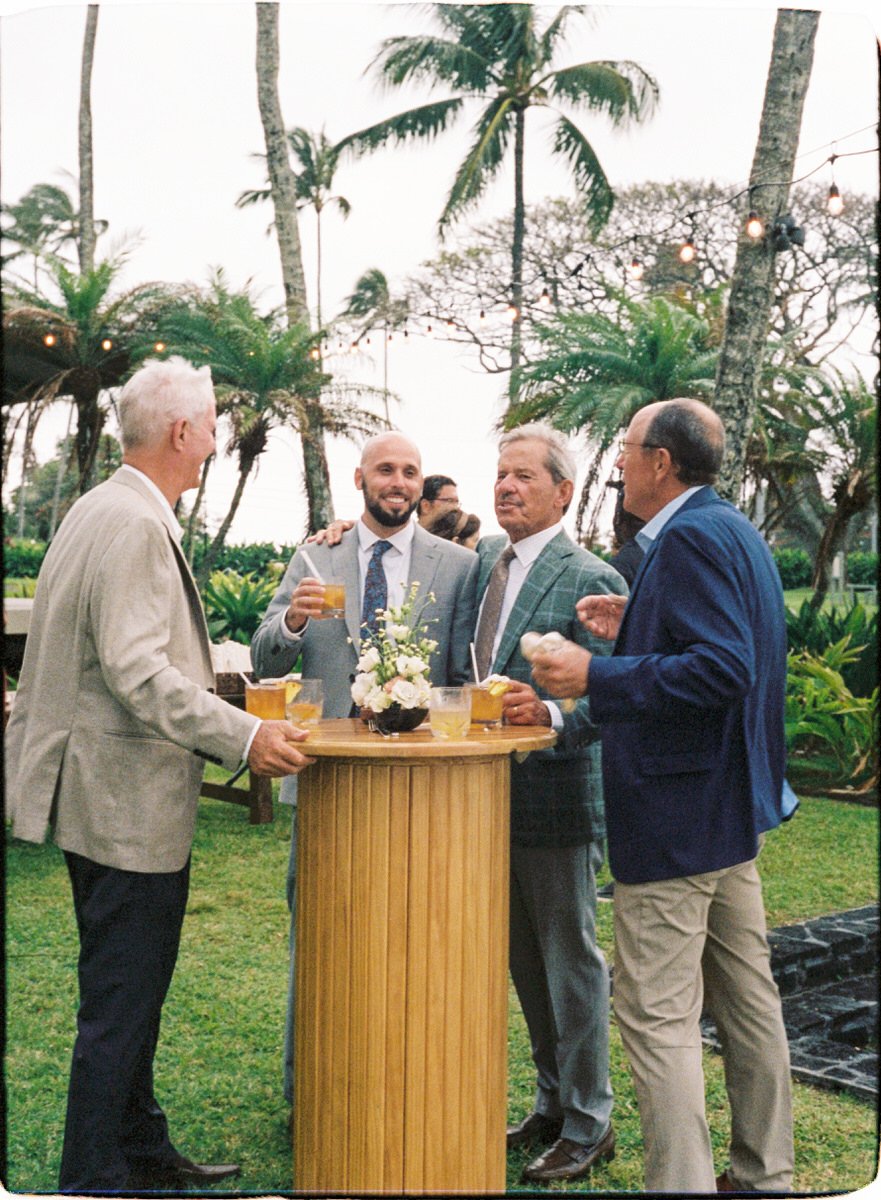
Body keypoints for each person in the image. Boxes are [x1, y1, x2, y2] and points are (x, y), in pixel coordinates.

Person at [4, 356, 314, 1193]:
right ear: (182, 433)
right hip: (119, 805)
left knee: (127, 996)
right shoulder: (136, 523)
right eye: (212, 426)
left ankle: (141, 1151)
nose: (217, 441)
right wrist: (246, 736)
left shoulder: (101, 507)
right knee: (121, 1005)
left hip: (96, 797)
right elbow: (139, 673)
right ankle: (94, 1177)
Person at [530, 398, 794, 1194]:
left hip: (677, 824)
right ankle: (763, 1174)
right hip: (727, 816)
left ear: (660, 465)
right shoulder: (729, 528)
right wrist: (636, 620)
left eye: (625, 451)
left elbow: (722, 670)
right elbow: (723, 644)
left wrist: (594, 673)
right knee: (749, 1006)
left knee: (655, 1020)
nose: (615, 465)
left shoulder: (684, 540)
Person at [250, 432, 479, 1111]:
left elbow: (462, 677)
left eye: (410, 471)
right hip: (328, 783)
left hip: (423, 792)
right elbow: (265, 659)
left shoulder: (457, 566)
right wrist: (291, 618)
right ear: (359, 479)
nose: (399, 481)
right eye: (386, 469)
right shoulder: (315, 556)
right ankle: (310, 1094)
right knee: (320, 937)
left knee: (416, 938)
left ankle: (407, 1085)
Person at [478, 423, 628, 1185]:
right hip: (478, 807)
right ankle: (548, 1102)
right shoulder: (481, 564)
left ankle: (590, 1121)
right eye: (500, 475)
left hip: (558, 802)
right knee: (522, 964)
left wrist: (555, 715)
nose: (506, 487)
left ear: (562, 493)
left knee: (570, 963)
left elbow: (619, 690)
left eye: (523, 477)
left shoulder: (591, 576)